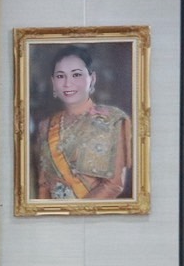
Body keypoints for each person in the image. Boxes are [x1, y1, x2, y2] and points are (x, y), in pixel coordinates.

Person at [33, 45, 132, 201]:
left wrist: (76, 212)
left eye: (76, 75)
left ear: (92, 78)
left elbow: (113, 185)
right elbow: (44, 186)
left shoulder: (112, 121)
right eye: (60, 76)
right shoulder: (46, 126)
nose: (68, 83)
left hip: (94, 213)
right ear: (53, 82)